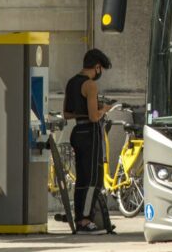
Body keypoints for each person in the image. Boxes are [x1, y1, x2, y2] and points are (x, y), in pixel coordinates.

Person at [62, 49, 114, 234]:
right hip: (90, 133)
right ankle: (86, 220)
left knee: (82, 179)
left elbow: (66, 113)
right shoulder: (90, 85)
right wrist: (104, 109)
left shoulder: (72, 82)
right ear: (97, 66)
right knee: (94, 179)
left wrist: (84, 110)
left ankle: (79, 218)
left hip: (77, 131)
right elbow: (94, 117)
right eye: (101, 69)